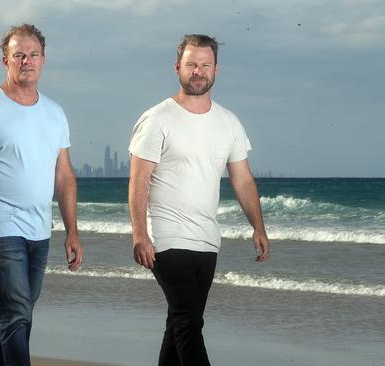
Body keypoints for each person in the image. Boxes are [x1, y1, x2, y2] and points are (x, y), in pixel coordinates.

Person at [128, 34, 270, 366]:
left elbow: (243, 179)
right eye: (191, 64)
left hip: (207, 240)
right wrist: (140, 235)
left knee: (179, 323)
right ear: (178, 68)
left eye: (205, 65)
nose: (198, 71)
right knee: (189, 324)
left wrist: (258, 227)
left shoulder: (229, 122)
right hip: (166, 238)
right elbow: (138, 180)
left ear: (216, 70)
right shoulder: (157, 118)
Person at [0, 23, 83, 366]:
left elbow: (65, 175)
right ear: (5, 61)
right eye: (19, 55)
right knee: (16, 317)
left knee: (17, 316)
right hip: (1, 227)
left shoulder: (55, 113)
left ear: (43, 60)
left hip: (40, 230)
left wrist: (72, 231)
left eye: (33, 54)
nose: (27, 61)